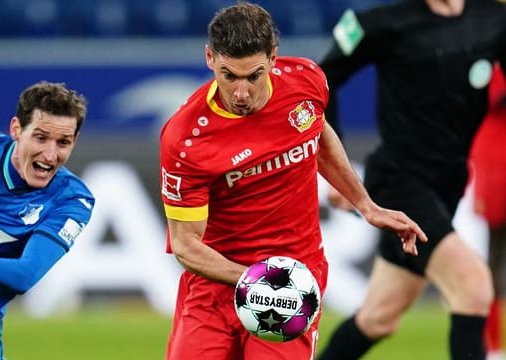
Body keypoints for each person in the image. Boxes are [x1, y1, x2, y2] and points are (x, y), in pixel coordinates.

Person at [159, 2, 427, 360]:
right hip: (214, 287)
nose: (241, 93)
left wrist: (366, 205)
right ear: (210, 58)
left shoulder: (306, 81)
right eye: (229, 75)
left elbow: (318, 133)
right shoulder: (186, 139)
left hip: (292, 279)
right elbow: (186, 245)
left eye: (253, 75)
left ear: (273, 57)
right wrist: (256, 280)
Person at [316, 0, 506, 359]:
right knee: (473, 285)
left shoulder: (494, 19)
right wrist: (335, 172)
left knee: (379, 317)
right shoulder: (382, 23)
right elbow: (321, 81)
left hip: (449, 184)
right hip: (400, 182)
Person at [0, 81, 94, 359]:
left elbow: (25, 273)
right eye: (40, 137)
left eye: (63, 142)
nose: (50, 155)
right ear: (16, 130)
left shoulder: (71, 200)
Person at [470, 63, 506, 360]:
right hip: (496, 175)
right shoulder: (490, 64)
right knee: (492, 266)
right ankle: (493, 347)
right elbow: (492, 95)